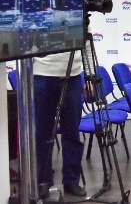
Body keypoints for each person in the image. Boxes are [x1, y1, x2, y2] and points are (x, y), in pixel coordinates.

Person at [34, 52, 86, 197]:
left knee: (72, 133)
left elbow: (86, 44)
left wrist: (90, 75)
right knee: (42, 133)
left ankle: (72, 181)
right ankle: (42, 182)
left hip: (73, 75)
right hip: (43, 73)